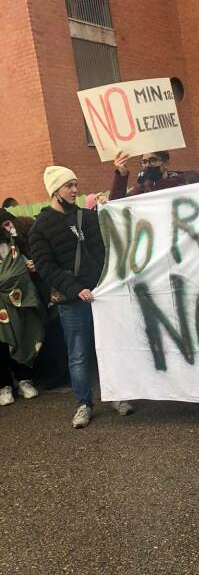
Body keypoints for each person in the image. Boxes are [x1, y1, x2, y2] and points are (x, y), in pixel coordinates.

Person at [30, 167, 133, 428]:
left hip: (100, 296)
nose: (75, 190)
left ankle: (117, 396)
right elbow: (46, 267)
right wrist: (76, 289)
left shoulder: (86, 217)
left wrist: (102, 283)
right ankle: (84, 404)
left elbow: (102, 253)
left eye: (75, 184)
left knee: (110, 347)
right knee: (78, 354)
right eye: (69, 186)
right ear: (55, 191)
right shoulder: (40, 227)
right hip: (72, 302)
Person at [0, 209, 43, 406]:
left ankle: (24, 379)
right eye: (6, 225)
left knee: (23, 335)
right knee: (1, 343)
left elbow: (25, 262)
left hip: (19, 299)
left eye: (11, 223)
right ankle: (4, 385)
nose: (11, 228)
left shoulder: (16, 243)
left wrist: (31, 266)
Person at [109, 150, 185, 201]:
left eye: (152, 160)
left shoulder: (184, 184)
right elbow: (117, 204)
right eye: (144, 162)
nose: (148, 165)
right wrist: (122, 174)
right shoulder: (141, 188)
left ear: (166, 163)